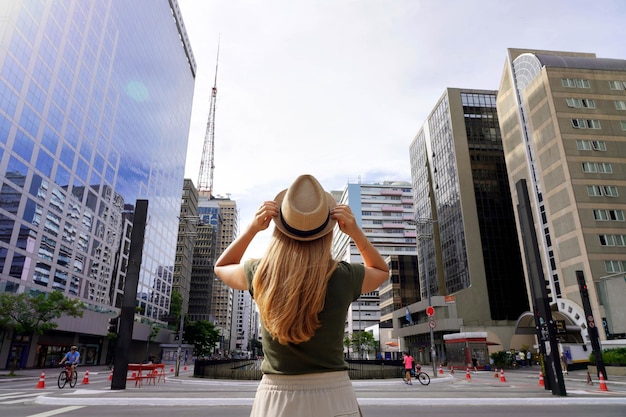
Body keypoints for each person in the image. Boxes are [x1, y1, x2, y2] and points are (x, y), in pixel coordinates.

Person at [214, 174, 389, 417]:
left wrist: (253, 228)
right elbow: (381, 271)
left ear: (279, 228)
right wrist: (355, 232)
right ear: (327, 231)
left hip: (276, 399)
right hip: (335, 396)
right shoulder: (342, 275)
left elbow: (221, 267)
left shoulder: (261, 273)